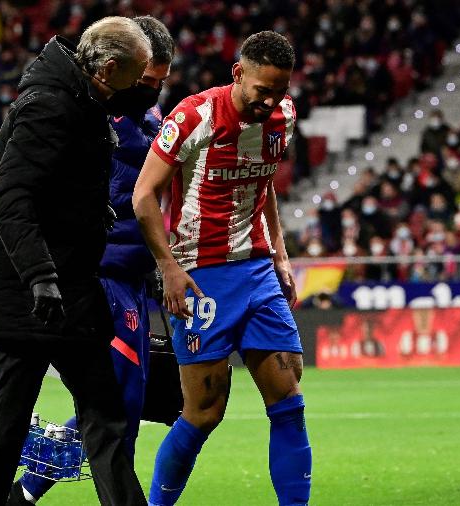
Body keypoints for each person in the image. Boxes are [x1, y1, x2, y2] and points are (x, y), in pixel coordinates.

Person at [0, 17, 152, 506]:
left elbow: (57, 189)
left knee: (105, 417)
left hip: (71, 287)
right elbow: (10, 200)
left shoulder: (81, 102)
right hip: (31, 293)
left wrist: (94, 213)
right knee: (9, 424)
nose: (139, 88)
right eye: (135, 77)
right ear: (109, 68)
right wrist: (39, 278)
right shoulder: (48, 107)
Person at [132, 31, 312, 506]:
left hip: (255, 270)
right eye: (262, 91)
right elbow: (144, 194)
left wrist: (279, 251)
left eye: (280, 91)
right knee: (203, 413)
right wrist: (167, 266)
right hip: (200, 274)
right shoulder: (194, 116)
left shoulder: (283, 118)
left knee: (289, 403)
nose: (270, 101)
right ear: (238, 75)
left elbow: (265, 180)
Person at [11, 16, 175, 505]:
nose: (150, 91)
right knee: (114, 405)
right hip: (101, 272)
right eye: (146, 81)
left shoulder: (149, 116)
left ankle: (24, 493)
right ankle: (26, 491)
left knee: (124, 403)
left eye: (159, 83)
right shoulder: (91, 111)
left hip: (130, 275)